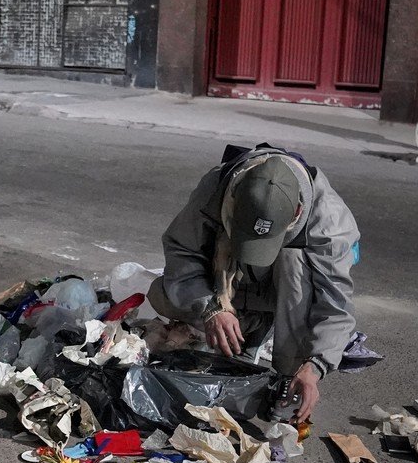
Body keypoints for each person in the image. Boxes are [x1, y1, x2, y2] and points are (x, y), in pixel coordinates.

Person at [148, 145, 360, 424]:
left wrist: (315, 367)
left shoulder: (329, 222)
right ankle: (244, 331)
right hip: (226, 290)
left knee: (294, 260)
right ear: (234, 199)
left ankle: (288, 373)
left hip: (280, 296)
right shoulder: (216, 187)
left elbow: (335, 305)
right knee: (161, 294)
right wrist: (212, 307)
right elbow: (181, 252)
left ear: (297, 211)